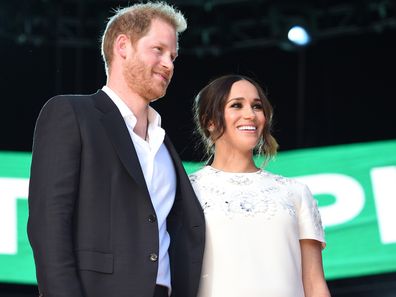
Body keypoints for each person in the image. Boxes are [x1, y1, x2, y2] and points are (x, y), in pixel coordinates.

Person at [27, 3, 205, 297]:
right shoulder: (71, 113)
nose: (169, 64)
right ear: (123, 46)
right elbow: (49, 226)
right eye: (158, 50)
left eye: (173, 56)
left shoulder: (164, 143)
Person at [189, 74, 331, 297]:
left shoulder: (295, 192)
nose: (251, 115)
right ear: (210, 121)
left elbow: (314, 284)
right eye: (237, 105)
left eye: (257, 106)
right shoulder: (187, 192)